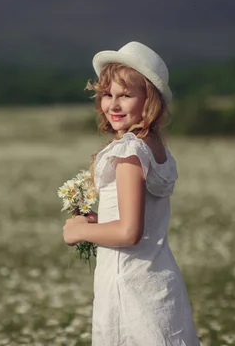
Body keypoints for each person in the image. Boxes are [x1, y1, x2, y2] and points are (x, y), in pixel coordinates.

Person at [63, 41, 200, 345]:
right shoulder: (156, 148)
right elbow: (138, 219)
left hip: (129, 287)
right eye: (107, 95)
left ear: (149, 100)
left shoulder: (128, 152)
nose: (113, 105)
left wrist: (80, 232)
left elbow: (128, 232)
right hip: (158, 279)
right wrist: (100, 221)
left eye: (125, 95)